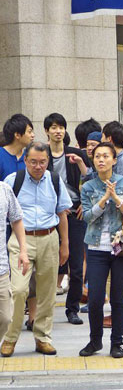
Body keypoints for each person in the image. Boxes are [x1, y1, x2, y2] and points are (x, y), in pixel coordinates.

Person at [0, 142, 71, 358]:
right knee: (19, 290)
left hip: (49, 237)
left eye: (42, 162)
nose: (38, 166)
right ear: (25, 160)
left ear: (48, 162)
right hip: (22, 240)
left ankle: (42, 338)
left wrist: (65, 245)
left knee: (48, 292)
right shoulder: (13, 181)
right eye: (33, 162)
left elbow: (62, 214)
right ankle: (10, 338)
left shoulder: (55, 180)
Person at [78, 142, 123, 359]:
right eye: (97, 156)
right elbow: (86, 216)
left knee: (118, 298)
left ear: (114, 159)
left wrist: (117, 199)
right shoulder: (88, 186)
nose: (101, 160)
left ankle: (117, 343)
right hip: (95, 247)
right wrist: (103, 200)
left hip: (121, 248)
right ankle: (95, 341)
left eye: (106, 156)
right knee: (94, 298)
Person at [45, 113, 90, 325]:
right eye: (53, 127)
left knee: (76, 266)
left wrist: (85, 202)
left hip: (74, 213)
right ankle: (40, 310)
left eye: (61, 127)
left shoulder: (74, 154)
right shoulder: (40, 155)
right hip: (49, 217)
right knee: (47, 265)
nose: (58, 131)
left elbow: (90, 179)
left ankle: (72, 309)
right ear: (47, 131)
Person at [100, 121, 123, 328]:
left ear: (110, 139)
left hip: (120, 224)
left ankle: (122, 313)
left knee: (119, 273)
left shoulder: (120, 162)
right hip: (120, 222)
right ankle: (121, 312)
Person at [0, 180, 29, 348]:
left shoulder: (4, 190)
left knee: (5, 318)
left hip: (2, 267)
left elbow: (16, 219)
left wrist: (23, 251)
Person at [0, 114, 35, 181]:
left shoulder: (29, 156)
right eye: (29, 132)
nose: (33, 135)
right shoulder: (1, 155)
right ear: (17, 135)